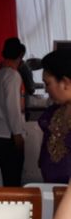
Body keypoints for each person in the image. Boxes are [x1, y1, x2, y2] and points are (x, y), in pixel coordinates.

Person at [0, 37, 26, 187]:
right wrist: (17, 134)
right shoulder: (13, 76)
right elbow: (12, 107)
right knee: (11, 179)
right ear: (21, 56)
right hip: (7, 134)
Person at [37, 49, 71, 183]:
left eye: (48, 84)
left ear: (65, 83)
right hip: (50, 191)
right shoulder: (52, 114)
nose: (46, 89)